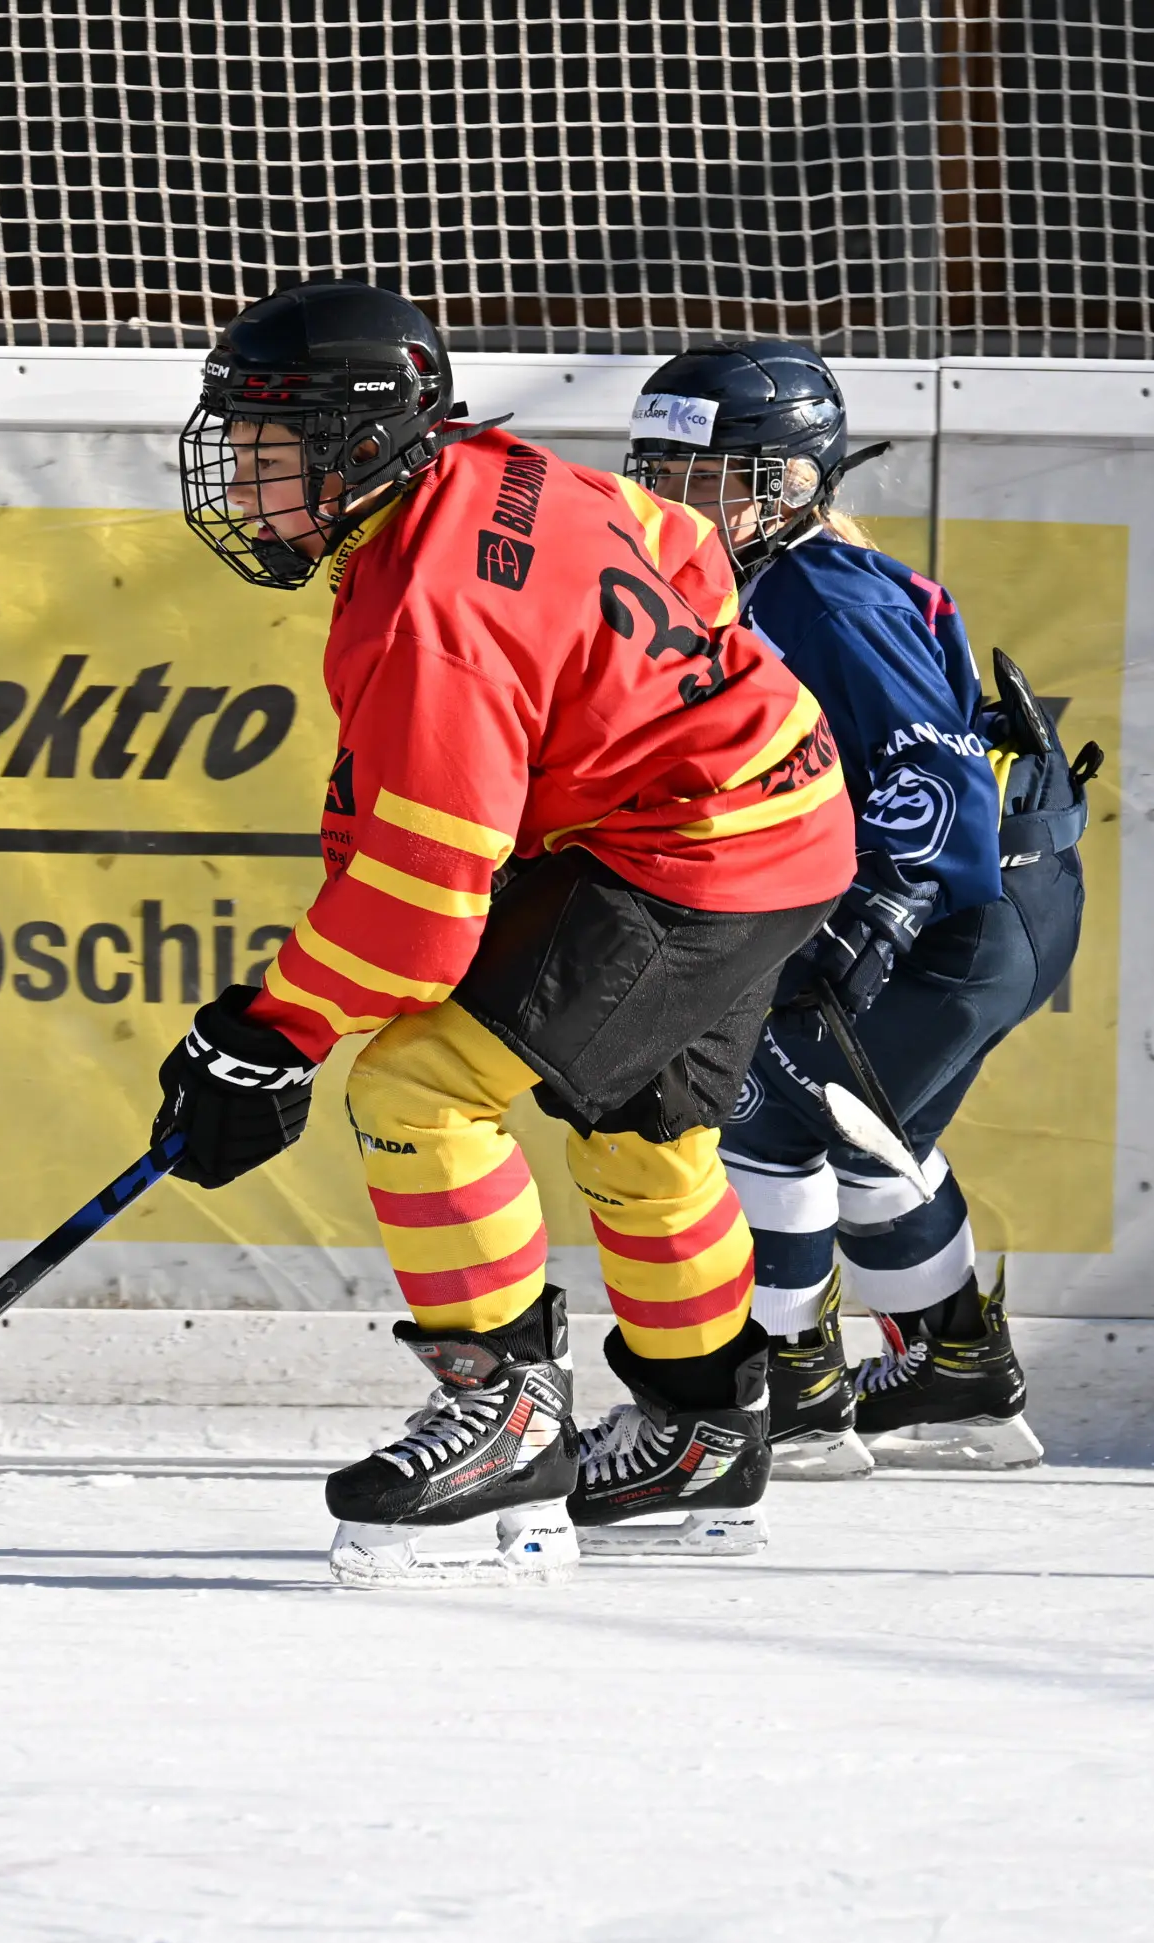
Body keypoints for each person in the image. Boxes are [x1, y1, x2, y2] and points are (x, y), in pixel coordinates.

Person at [151, 282, 856, 1584]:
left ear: (361, 447)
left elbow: (417, 922)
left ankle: (507, 1427)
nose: (241, 491)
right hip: (782, 808)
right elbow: (687, 553)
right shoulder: (504, 472)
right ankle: (702, 1437)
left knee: (416, 1089)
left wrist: (266, 1035)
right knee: (651, 1140)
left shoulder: (429, 613)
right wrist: (628, 722)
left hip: (694, 853)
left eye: (267, 456)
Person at [624, 338, 1093, 1480]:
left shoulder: (819, 590)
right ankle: (958, 1376)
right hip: (989, 906)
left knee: (759, 1110)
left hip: (963, 910)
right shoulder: (752, 578)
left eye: (708, 477)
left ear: (788, 484)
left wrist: (880, 908)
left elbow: (928, 771)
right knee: (874, 1127)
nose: (671, 500)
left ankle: (786, 1394)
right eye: (658, 472)